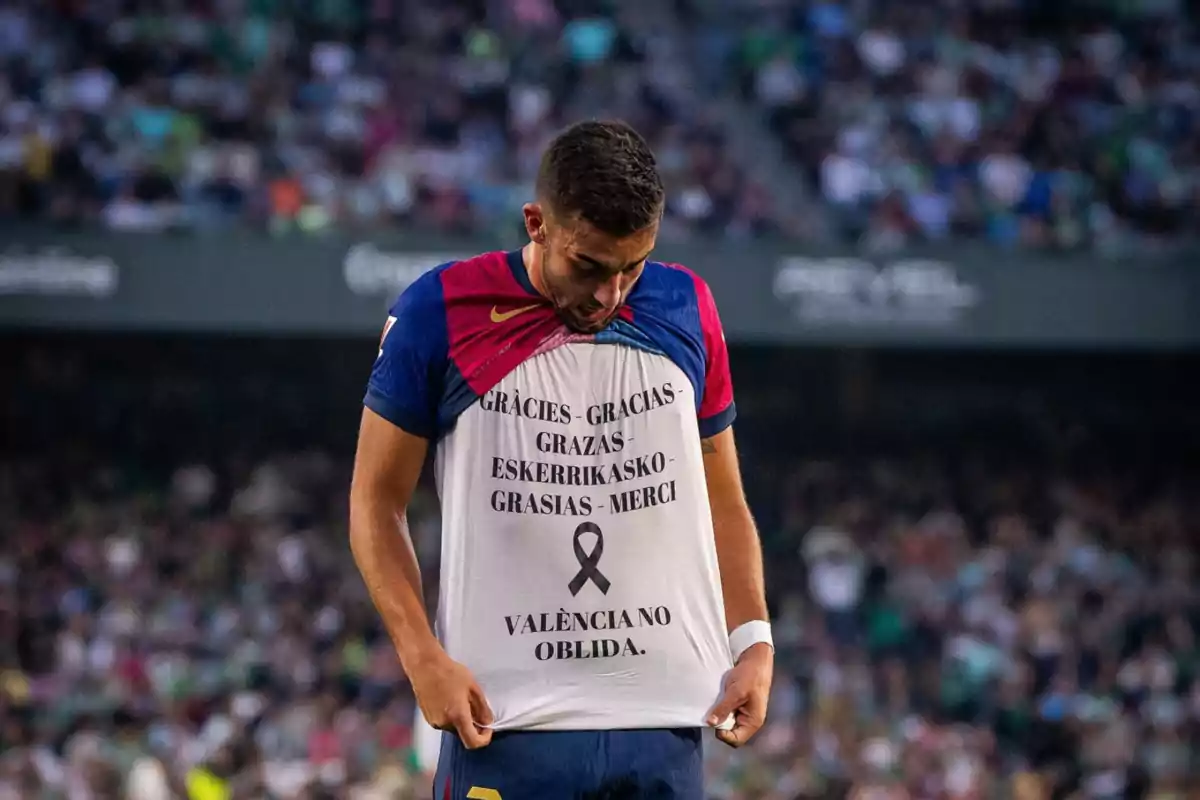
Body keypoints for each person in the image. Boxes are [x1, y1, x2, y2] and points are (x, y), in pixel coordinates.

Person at [349, 119, 773, 798]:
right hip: (504, 726)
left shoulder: (687, 306)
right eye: (590, 266)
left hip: (662, 729)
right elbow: (375, 502)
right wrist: (420, 655)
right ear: (536, 223)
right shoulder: (439, 310)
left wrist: (754, 641)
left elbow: (724, 499)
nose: (610, 295)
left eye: (632, 267)